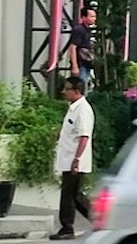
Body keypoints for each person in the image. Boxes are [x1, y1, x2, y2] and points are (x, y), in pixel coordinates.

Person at [50, 77, 93, 240]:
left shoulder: (83, 110)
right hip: (68, 157)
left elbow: (84, 136)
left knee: (69, 195)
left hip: (74, 160)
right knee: (75, 195)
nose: (64, 92)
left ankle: (67, 227)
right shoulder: (73, 108)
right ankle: (99, 220)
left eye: (67, 89)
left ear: (76, 91)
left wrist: (76, 159)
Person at [67, 8, 96, 85]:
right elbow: (73, 47)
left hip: (86, 63)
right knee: (80, 87)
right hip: (80, 64)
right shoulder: (79, 29)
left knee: (83, 86)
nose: (94, 19)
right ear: (83, 17)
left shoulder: (87, 30)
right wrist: (75, 66)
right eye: (92, 16)